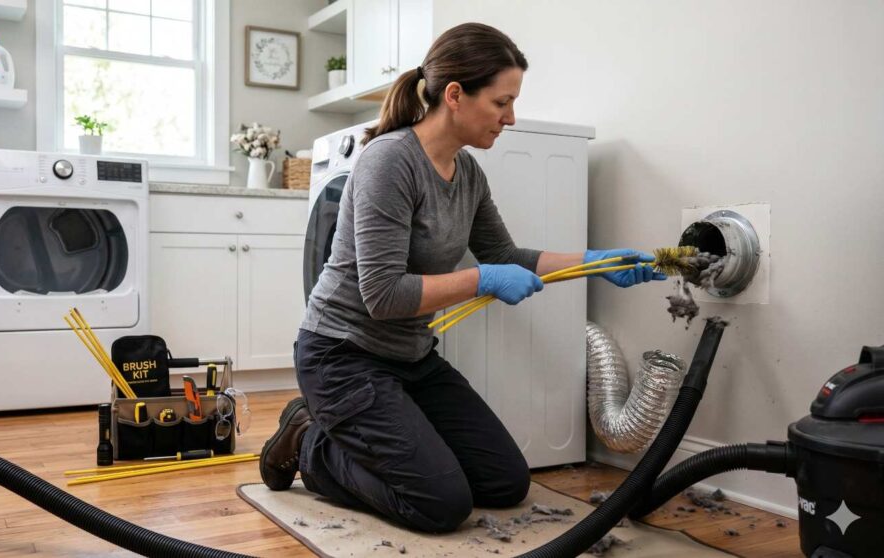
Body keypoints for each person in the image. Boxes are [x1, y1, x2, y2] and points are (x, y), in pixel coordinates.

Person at [259, 22, 664, 533]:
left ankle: (380, 443)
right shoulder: (390, 161)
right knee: (440, 504)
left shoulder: (467, 172)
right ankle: (308, 440)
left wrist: (598, 263)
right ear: (455, 95)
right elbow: (383, 295)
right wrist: (482, 279)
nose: (510, 117)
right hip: (342, 357)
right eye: (501, 102)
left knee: (505, 483)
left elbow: (506, 255)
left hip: (412, 359)